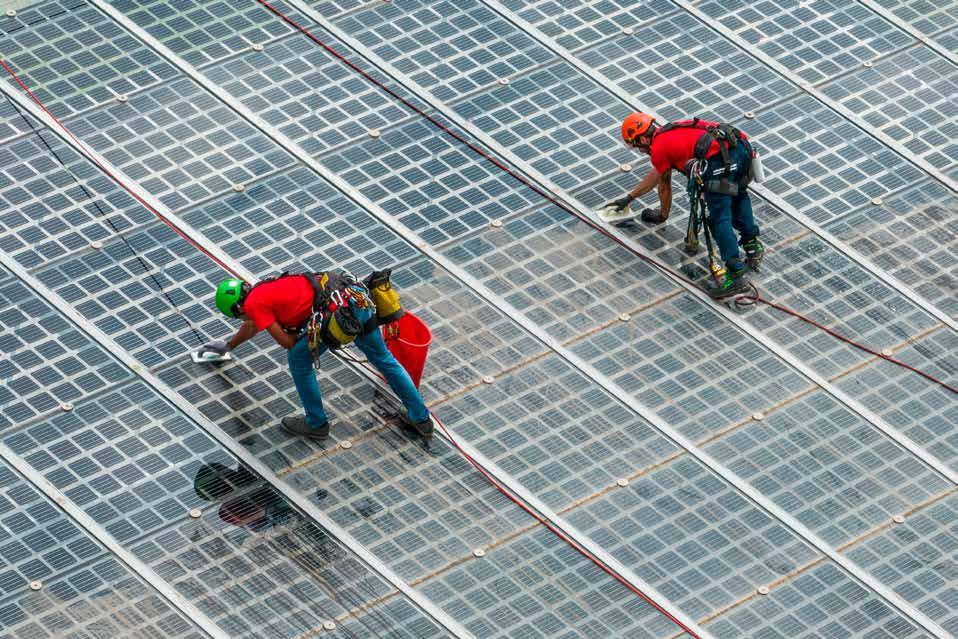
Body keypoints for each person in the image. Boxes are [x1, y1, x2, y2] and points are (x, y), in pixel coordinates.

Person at [203, 271, 432, 438]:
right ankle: (421, 418)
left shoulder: (253, 305)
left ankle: (316, 424)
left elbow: (287, 343)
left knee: (298, 360)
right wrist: (229, 346)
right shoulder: (263, 288)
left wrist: (298, 332)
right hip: (355, 298)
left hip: (336, 314)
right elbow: (253, 324)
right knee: (384, 360)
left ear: (238, 309)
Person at [602, 112, 765, 296]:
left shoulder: (659, 147)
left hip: (719, 163)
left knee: (719, 218)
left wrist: (662, 215)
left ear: (643, 139)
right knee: (737, 195)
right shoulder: (671, 131)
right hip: (741, 149)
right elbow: (658, 171)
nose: (640, 150)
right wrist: (630, 197)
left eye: (637, 146)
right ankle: (752, 246)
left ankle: (735, 276)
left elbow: (664, 186)